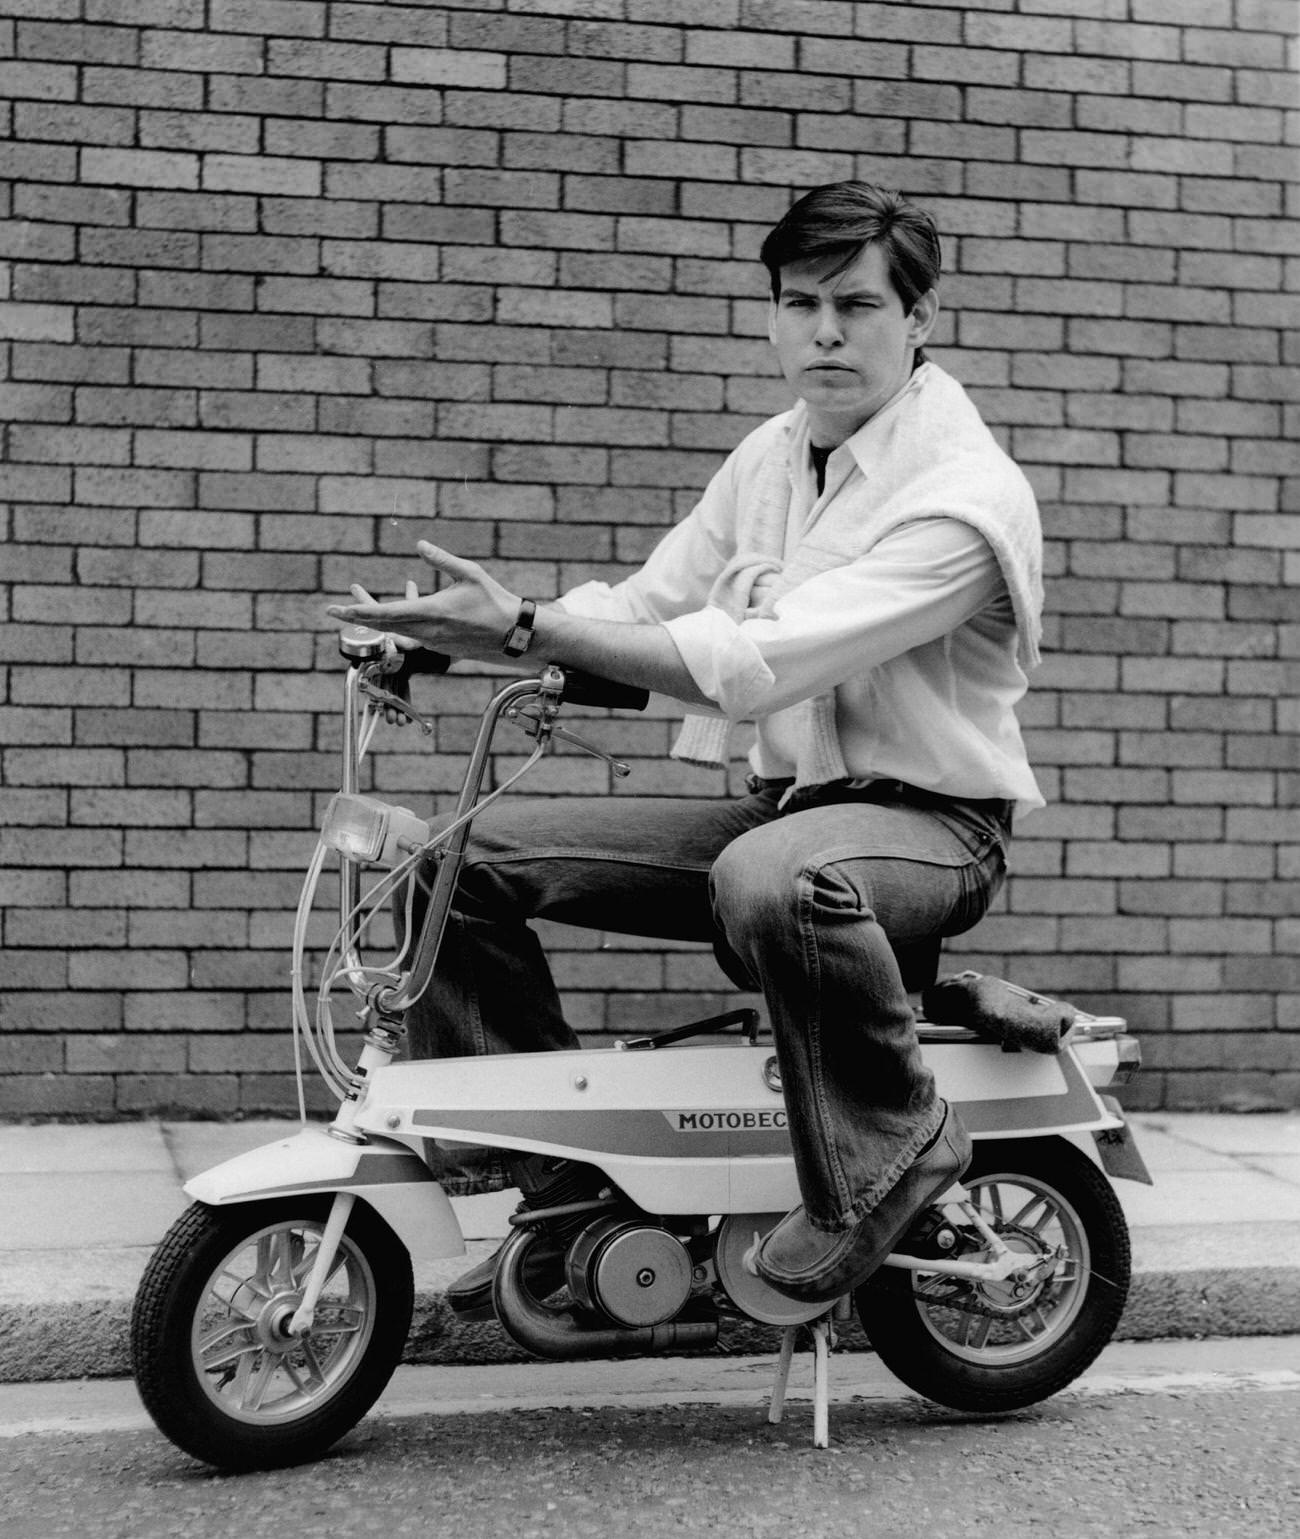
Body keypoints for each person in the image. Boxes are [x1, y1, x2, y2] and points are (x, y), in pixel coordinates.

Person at [327, 181, 1045, 1316]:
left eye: (856, 305)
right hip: (781, 812)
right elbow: (647, 611)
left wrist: (520, 623)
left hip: (927, 829)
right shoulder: (770, 458)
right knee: (440, 860)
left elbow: (767, 659)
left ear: (921, 316)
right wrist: (447, 645)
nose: (823, 331)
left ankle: (891, 1159)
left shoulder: (965, 500)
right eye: (798, 303)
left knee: (777, 873)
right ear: (769, 316)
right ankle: (563, 1202)